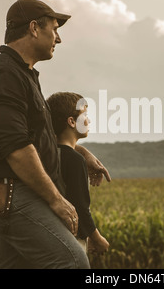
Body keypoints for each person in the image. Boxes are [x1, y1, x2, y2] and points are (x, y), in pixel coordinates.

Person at [0, 0, 110, 268]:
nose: (58, 39)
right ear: (34, 28)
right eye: (55, 29)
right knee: (73, 261)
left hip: (17, 194)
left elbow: (38, 139)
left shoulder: (23, 75)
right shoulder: (3, 75)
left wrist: (81, 152)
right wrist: (56, 200)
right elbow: (16, 148)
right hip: (16, 195)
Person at [46, 92, 110, 256]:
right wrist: (97, 238)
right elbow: (81, 208)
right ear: (72, 122)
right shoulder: (75, 160)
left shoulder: (47, 156)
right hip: (71, 238)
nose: (89, 120)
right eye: (85, 115)